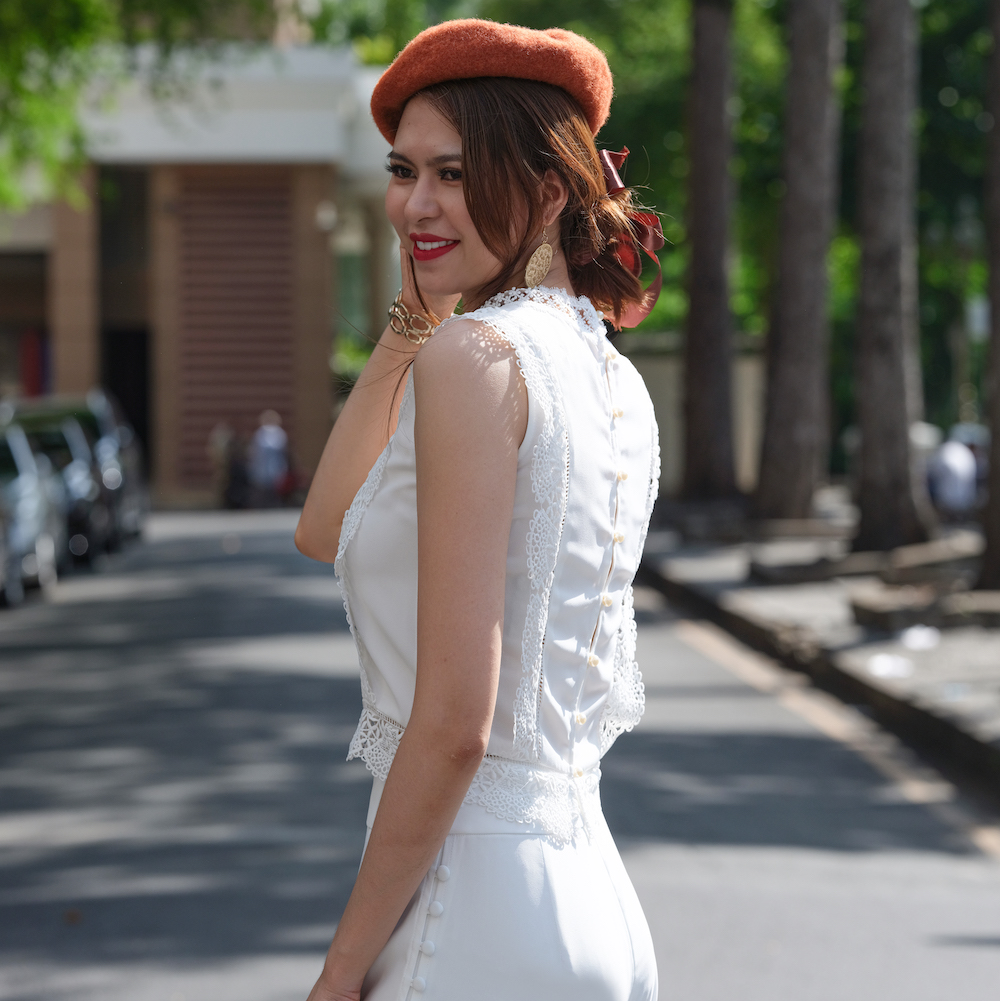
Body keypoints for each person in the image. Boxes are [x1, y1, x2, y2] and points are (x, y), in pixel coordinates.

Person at [296, 20, 661, 1001]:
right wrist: (416, 317)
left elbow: (457, 723)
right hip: (595, 908)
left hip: (475, 913)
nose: (416, 204)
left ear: (549, 189)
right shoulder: (611, 377)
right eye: (403, 171)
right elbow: (326, 527)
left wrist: (340, 970)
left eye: (453, 174)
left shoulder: (480, 360)